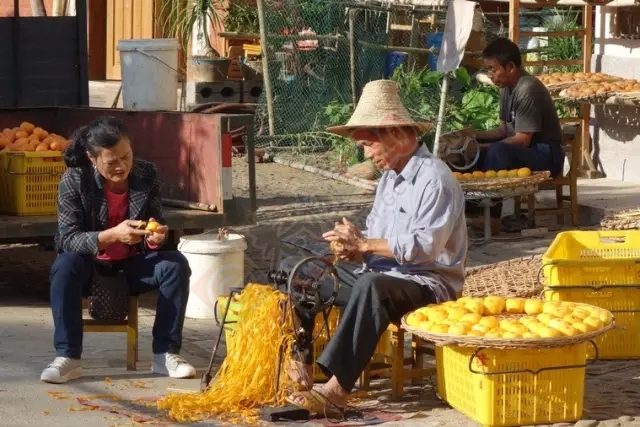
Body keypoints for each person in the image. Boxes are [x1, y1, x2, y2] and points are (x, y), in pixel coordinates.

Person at [280, 80, 468, 415]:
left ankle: (336, 390)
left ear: (395, 135)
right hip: (380, 275)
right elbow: (376, 238)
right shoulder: (389, 180)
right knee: (297, 267)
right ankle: (302, 363)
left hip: (426, 284)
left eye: (368, 145)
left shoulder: (435, 178)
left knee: (372, 285)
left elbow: (424, 247)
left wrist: (366, 244)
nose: (365, 154)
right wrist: (353, 244)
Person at [41, 115, 195, 384]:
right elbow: (66, 240)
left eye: (126, 156)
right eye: (112, 162)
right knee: (63, 265)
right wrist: (111, 235)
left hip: (132, 264)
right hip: (90, 265)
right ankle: (68, 357)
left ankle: (165, 354)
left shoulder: (146, 173)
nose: (122, 166)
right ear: (92, 158)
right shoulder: (74, 180)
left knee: (175, 264)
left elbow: (155, 221)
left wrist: (154, 238)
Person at [465, 37, 565, 227]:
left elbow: (522, 140)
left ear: (510, 67)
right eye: (489, 70)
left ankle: (492, 218)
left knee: (496, 151)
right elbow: (503, 130)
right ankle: (473, 212)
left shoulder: (527, 88)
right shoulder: (506, 87)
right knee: (466, 153)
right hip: (527, 150)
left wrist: (482, 147)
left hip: (546, 155)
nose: (490, 75)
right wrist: (470, 136)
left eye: (493, 69)